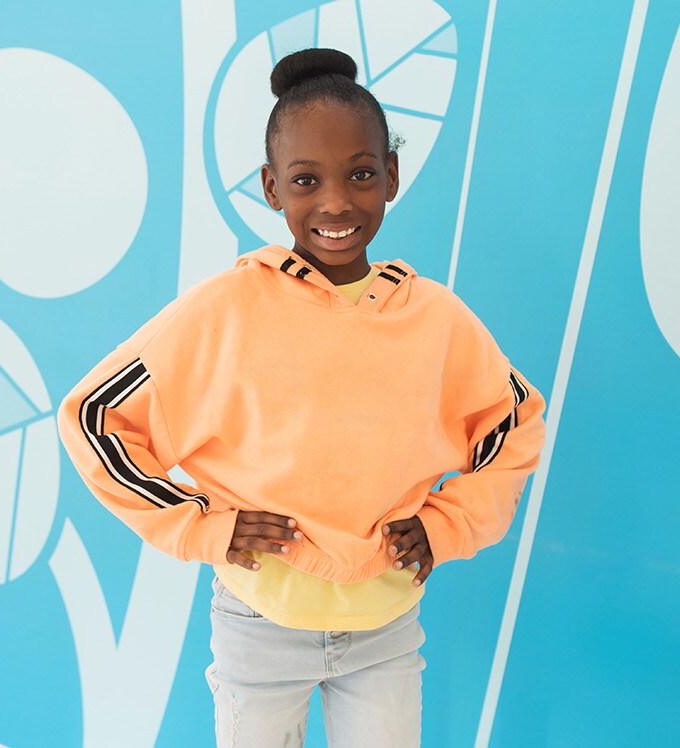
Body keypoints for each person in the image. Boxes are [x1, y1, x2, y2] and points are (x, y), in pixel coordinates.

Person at [55, 47, 546, 747]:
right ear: (272, 187)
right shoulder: (227, 308)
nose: (337, 202)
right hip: (261, 620)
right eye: (307, 180)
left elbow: (515, 419)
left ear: (392, 177)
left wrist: (451, 522)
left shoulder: (434, 318)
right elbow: (95, 415)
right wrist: (199, 522)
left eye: (361, 174)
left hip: (386, 624)